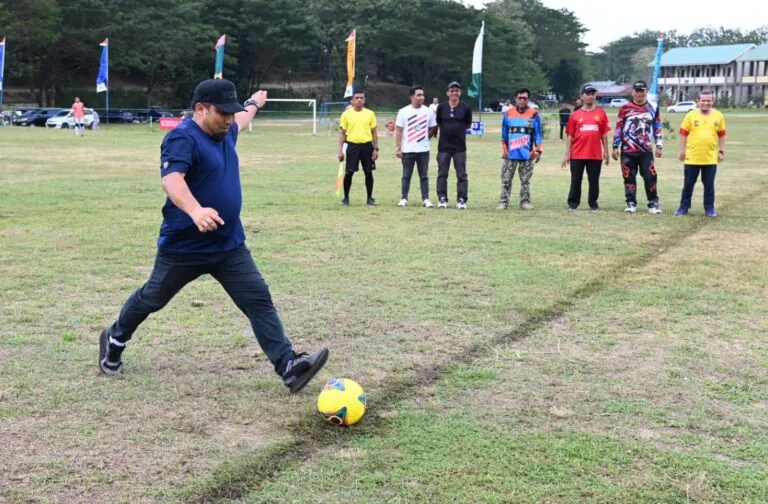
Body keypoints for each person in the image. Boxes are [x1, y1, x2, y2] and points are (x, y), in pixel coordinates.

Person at [98, 79, 329, 394]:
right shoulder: (182, 138)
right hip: (184, 248)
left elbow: (244, 118)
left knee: (258, 299)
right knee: (152, 298)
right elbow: (172, 180)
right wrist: (195, 211)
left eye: (231, 113)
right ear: (200, 109)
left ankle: (288, 366)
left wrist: (255, 102)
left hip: (229, 246)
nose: (230, 119)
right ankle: (114, 339)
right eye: (223, 113)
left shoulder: (227, 129)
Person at [612, 80, 663, 214]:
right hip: (628, 149)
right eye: (637, 91)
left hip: (645, 149)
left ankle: (653, 203)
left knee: (650, 176)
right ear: (633, 92)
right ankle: (631, 203)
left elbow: (657, 126)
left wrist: (659, 145)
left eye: (642, 91)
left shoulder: (653, 107)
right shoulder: (624, 108)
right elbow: (619, 127)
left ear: (646, 92)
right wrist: (615, 146)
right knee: (628, 176)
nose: (639, 94)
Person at [675, 90, 726, 217]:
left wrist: (721, 151)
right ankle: (683, 207)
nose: (705, 103)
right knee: (688, 184)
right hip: (692, 157)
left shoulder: (718, 116)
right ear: (698, 101)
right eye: (703, 100)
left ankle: (709, 208)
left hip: (710, 158)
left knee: (709, 185)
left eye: (708, 100)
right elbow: (683, 133)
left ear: (712, 101)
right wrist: (682, 150)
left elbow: (722, 135)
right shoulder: (691, 115)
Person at [561, 84, 611, 211]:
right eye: (587, 94)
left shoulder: (601, 113)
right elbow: (570, 136)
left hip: (595, 154)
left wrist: (606, 151)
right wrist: (567, 155)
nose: (590, 96)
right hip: (577, 154)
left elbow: (604, 134)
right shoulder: (575, 115)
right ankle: (573, 203)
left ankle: (593, 203)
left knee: (594, 181)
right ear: (582, 96)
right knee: (576, 180)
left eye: (593, 94)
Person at [498, 87, 542, 210]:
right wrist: (504, 149)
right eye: (520, 98)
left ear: (528, 100)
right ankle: (503, 201)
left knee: (525, 180)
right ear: (515, 99)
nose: (522, 100)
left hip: (527, 153)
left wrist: (538, 150)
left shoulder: (534, 114)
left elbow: (538, 133)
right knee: (506, 179)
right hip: (510, 153)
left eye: (525, 98)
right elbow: (504, 134)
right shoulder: (508, 114)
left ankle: (525, 202)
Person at [395, 85, 437, 207]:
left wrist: (424, 139)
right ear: (412, 97)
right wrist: (398, 148)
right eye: (418, 95)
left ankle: (426, 199)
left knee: (424, 176)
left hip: (423, 150)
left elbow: (432, 129)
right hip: (408, 149)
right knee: (406, 175)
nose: (421, 97)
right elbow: (398, 131)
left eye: (423, 95)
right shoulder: (403, 111)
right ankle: (404, 198)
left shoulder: (429, 112)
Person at [435, 81, 472, 209]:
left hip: (460, 147)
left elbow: (468, 124)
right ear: (447, 93)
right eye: (452, 91)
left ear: (460, 93)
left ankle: (462, 199)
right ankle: (442, 198)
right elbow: (439, 122)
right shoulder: (441, 107)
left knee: (461, 174)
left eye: (457, 91)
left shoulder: (466, 107)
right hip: (444, 146)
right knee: (442, 173)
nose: (454, 93)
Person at [338, 90, 379, 206]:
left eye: (361, 98)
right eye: (357, 98)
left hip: (367, 146)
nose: (359, 100)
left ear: (364, 100)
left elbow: (374, 132)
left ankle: (370, 198)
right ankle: (346, 198)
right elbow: (342, 133)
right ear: (352, 100)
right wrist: (340, 150)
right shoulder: (346, 114)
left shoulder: (370, 114)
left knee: (368, 172)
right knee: (349, 173)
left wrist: (375, 149)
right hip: (352, 146)